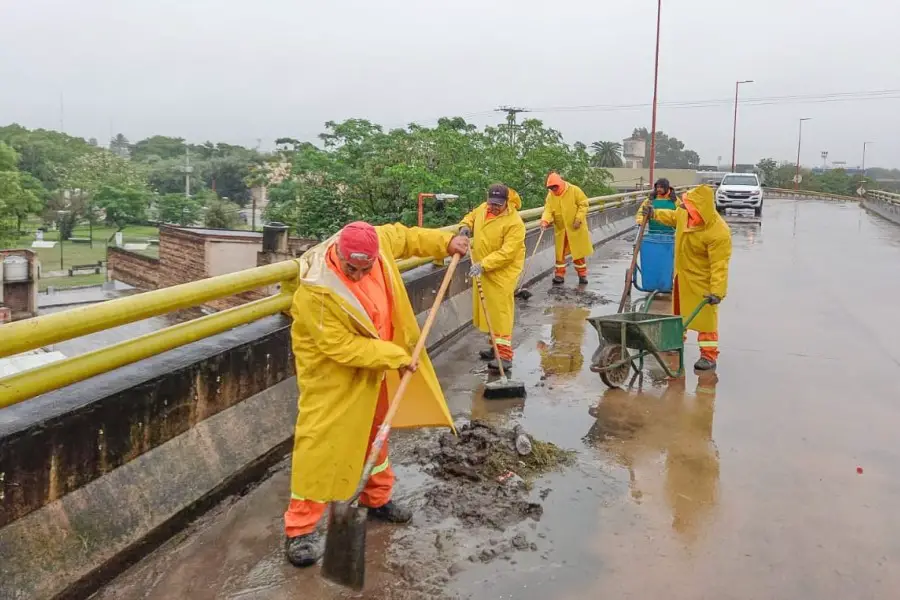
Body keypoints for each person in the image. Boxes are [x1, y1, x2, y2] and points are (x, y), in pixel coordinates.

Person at [283, 221, 469, 567]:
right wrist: (396, 356)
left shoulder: (379, 244)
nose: (356, 274)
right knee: (320, 447)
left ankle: (377, 499)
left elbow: (409, 237)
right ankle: (300, 530)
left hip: (375, 371)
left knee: (377, 437)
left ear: (374, 257)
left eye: (364, 268)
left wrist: (447, 243)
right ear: (337, 251)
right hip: (334, 380)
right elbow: (341, 347)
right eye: (350, 267)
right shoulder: (317, 291)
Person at [642, 185, 732, 371]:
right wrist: (654, 213)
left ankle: (708, 356)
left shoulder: (718, 232)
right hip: (681, 277)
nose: (685, 210)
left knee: (706, 321)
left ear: (701, 209)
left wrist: (717, 291)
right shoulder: (684, 215)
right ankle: (675, 344)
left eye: (689, 208)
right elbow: (673, 216)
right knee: (678, 315)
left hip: (703, 283)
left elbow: (719, 265)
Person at [459, 184, 526, 372]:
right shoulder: (483, 208)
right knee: (488, 309)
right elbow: (471, 217)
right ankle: (495, 348)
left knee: (500, 312)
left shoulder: (514, 223)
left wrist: (484, 264)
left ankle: (504, 356)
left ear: (506, 202)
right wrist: (465, 226)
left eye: (498, 204)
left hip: (502, 272)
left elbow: (508, 253)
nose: (493, 207)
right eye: (491, 203)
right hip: (484, 268)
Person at [541, 172, 592, 285]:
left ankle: (582, 275)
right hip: (561, 229)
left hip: (575, 228)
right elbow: (548, 210)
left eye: (555, 187)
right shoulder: (551, 196)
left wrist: (578, 219)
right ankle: (559, 275)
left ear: (560, 184)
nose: (553, 189)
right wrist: (545, 220)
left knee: (578, 253)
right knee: (560, 254)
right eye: (551, 187)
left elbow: (583, 204)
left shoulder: (574, 190)